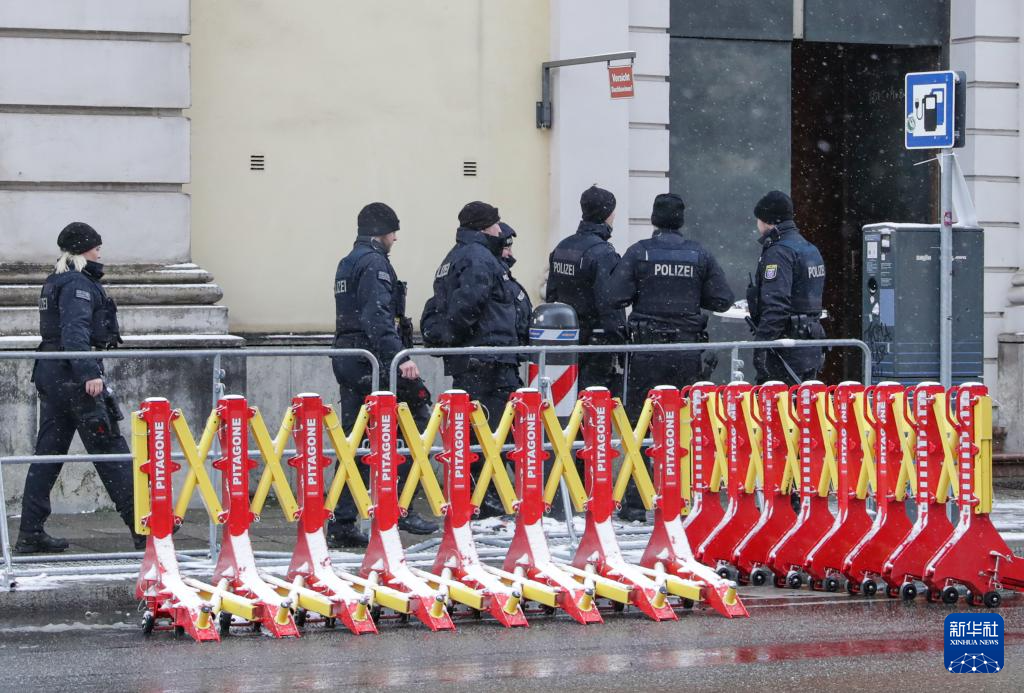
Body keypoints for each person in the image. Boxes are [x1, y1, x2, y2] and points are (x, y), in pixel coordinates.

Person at [608, 194, 734, 522]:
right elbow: (722, 299)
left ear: (654, 219)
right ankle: (682, 496)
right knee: (685, 426)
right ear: (681, 219)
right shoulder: (698, 254)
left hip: (646, 353)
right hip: (686, 353)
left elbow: (615, 296)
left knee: (640, 426)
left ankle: (637, 502)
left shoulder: (639, 253)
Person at [16, 222, 140, 554]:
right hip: (74, 378)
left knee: (48, 456)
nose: (100, 251)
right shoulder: (77, 284)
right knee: (110, 450)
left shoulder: (56, 280)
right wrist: (89, 373)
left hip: (53, 375)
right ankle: (143, 528)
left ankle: (29, 532)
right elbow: (75, 332)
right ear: (84, 249)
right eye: (96, 246)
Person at [326, 202, 438, 547]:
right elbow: (377, 316)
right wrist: (400, 358)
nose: (395, 238)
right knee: (414, 424)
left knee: (356, 442)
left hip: (351, 356)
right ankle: (400, 507)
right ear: (379, 232)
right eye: (392, 232)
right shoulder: (374, 264)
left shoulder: (348, 262)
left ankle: (343, 522)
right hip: (371, 359)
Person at [427, 201, 520, 517]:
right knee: (491, 433)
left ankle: (477, 498)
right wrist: (464, 339)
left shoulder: (454, 257)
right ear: (484, 227)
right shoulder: (478, 257)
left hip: (476, 359)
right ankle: (486, 500)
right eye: (495, 224)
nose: (499, 229)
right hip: (487, 360)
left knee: (475, 433)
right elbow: (468, 305)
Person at [545, 185, 628, 396]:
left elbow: (551, 296)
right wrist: (620, 342)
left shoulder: (563, 247)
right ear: (608, 214)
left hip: (565, 339)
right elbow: (610, 304)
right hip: (595, 343)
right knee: (592, 401)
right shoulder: (602, 253)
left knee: (563, 400)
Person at [747, 191, 826, 385]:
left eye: (758, 218)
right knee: (804, 400)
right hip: (810, 344)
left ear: (767, 220)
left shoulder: (779, 252)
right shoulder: (809, 248)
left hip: (786, 349)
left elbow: (777, 306)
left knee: (778, 402)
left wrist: (761, 346)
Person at [499, 222, 533, 349]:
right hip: (505, 351)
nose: (510, 254)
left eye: (510, 248)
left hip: (514, 350)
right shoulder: (494, 278)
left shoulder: (507, 279)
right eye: (506, 248)